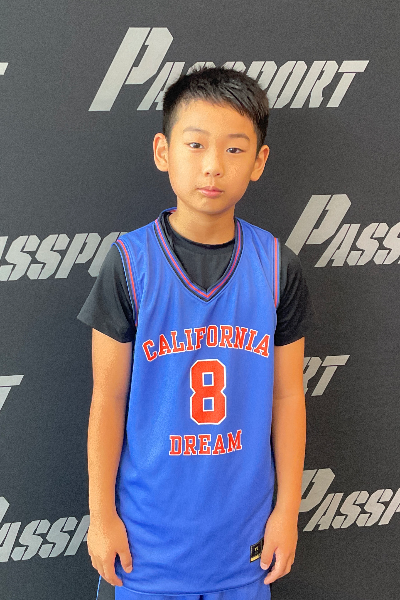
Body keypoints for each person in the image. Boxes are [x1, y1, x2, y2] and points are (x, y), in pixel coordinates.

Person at [77, 65, 317, 600]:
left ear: (259, 161)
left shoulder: (277, 266)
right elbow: (107, 399)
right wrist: (101, 516)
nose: (213, 165)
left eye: (234, 149)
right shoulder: (130, 263)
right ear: (163, 151)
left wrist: (286, 512)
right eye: (195, 144)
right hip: (145, 547)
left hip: (244, 546)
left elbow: (287, 397)